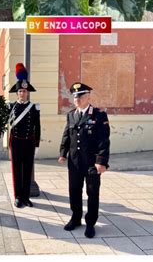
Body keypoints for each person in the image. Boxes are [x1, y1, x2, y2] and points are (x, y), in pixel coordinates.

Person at [58, 82, 110, 239]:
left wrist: (101, 161)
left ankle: (90, 223)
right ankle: (75, 218)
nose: (76, 99)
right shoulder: (71, 115)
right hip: (74, 162)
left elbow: (104, 140)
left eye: (80, 96)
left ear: (88, 96)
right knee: (74, 190)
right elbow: (67, 134)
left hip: (91, 162)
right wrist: (63, 153)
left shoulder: (99, 115)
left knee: (92, 192)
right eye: (74, 96)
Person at [8, 63, 40, 208]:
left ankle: (26, 197)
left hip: (29, 142)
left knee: (27, 170)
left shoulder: (34, 107)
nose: (22, 93)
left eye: (24, 91)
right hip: (16, 142)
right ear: (17, 93)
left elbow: (37, 126)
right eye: (20, 91)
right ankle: (17, 197)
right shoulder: (11, 107)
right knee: (16, 171)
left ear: (28, 93)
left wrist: (37, 144)